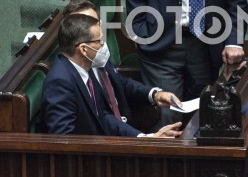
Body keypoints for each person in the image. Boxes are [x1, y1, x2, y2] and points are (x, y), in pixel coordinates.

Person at [38, 13, 182, 137]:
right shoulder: (60, 82)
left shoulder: (83, 69)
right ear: (83, 49)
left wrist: (145, 138)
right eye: (99, 41)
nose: (103, 45)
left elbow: (103, 116)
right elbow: (64, 141)